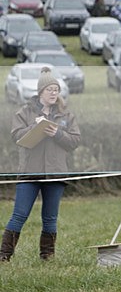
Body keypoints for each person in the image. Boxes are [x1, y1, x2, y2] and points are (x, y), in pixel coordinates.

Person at [1, 67, 81, 262]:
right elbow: (16, 136)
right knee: (19, 215)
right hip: (29, 173)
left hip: (56, 174)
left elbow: (75, 140)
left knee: (50, 218)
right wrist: (34, 126)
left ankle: (47, 256)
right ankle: (4, 256)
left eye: (56, 89)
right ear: (40, 92)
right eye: (50, 90)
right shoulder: (24, 112)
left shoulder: (66, 115)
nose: (54, 93)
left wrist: (58, 134)